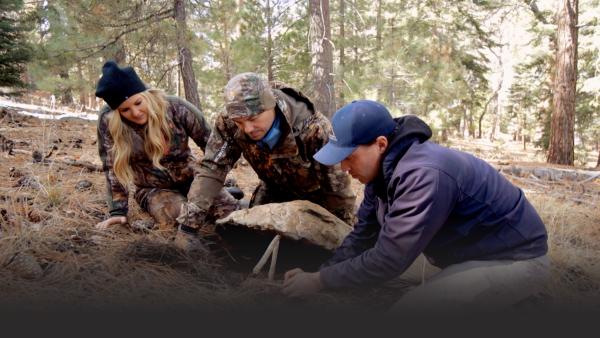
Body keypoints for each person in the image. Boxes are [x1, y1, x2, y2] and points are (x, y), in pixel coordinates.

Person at [282, 100, 549, 310]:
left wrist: (319, 282)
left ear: (381, 144)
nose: (343, 167)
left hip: (514, 260)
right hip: (464, 254)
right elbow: (363, 235)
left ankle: (521, 302)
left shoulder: (423, 174)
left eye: (349, 157)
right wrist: (321, 274)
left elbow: (388, 260)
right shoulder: (384, 170)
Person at [180, 72, 356, 243]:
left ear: (271, 105)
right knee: (249, 241)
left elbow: (337, 190)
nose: (248, 128)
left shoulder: (314, 130)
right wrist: (188, 227)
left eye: (253, 118)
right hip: (273, 190)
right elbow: (213, 169)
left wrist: (345, 239)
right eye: (240, 122)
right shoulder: (229, 122)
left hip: (317, 201)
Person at [94, 60, 239, 249]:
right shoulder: (108, 122)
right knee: (180, 218)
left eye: (138, 103)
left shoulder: (176, 107)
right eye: (125, 110)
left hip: (191, 176)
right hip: (152, 189)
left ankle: (226, 195)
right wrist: (117, 211)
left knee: (231, 215)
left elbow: (213, 145)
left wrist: (212, 182)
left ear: (146, 94)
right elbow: (112, 167)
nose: (136, 113)